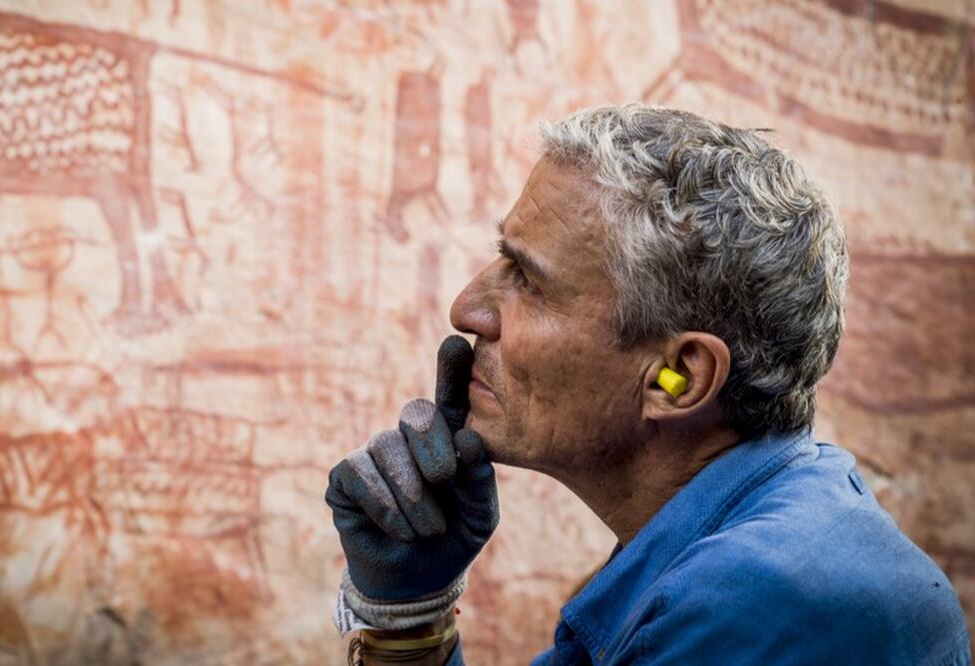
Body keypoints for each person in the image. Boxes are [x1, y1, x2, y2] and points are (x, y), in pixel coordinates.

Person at [325, 104, 971, 665]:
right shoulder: (760, 532)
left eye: (527, 280)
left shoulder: (755, 604)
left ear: (678, 378)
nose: (467, 311)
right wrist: (410, 617)